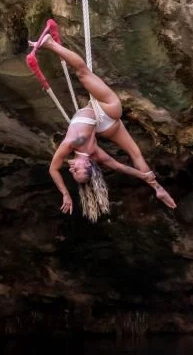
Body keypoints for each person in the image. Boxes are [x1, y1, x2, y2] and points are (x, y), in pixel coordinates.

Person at [28, 26, 177, 216]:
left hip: (105, 126)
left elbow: (119, 167)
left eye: (73, 173)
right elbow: (53, 169)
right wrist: (145, 177)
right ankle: (50, 43)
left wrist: (154, 185)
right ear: (89, 165)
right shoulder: (74, 144)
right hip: (107, 109)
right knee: (82, 73)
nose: (72, 168)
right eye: (79, 170)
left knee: (136, 154)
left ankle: (159, 189)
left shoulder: (90, 153)